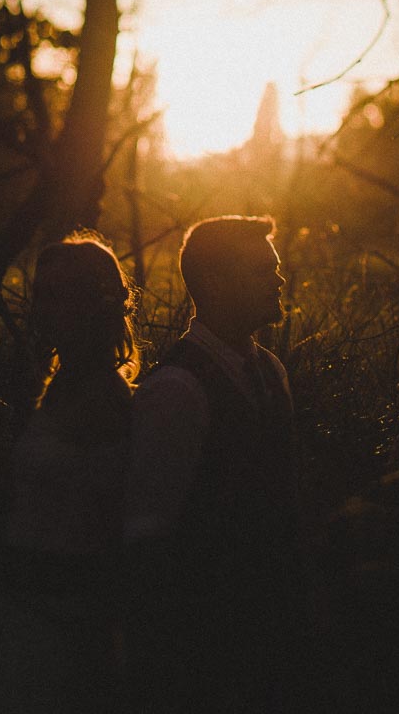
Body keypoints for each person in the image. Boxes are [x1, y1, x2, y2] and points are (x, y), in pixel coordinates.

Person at [124, 215, 300, 713]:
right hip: (201, 644)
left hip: (265, 632)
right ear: (216, 282)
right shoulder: (176, 389)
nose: (279, 280)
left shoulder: (271, 371)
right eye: (262, 270)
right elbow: (147, 536)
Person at [0, 234, 138, 713]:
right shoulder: (59, 382)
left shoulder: (105, 398)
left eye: (61, 294)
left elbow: (106, 520)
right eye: (41, 294)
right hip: (27, 601)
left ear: (96, 304)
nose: (44, 309)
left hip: (60, 610)